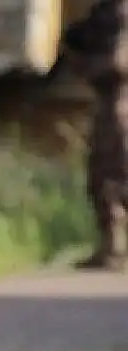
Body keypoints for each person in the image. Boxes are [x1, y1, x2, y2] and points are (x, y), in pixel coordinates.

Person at [62, 0, 128, 271]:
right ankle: (112, 246)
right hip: (110, 102)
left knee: (113, 174)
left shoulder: (119, 12)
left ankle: (115, 248)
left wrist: (86, 66)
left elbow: (119, 63)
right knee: (104, 176)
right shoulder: (103, 12)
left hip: (120, 104)